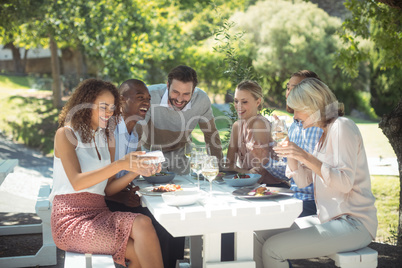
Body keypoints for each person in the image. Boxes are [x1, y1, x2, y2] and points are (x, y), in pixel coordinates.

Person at [257, 78, 378, 267]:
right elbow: (304, 181)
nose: (294, 116)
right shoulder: (323, 134)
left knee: (273, 249)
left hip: (354, 224)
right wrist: (291, 152)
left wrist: (304, 155)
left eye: (297, 109)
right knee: (258, 234)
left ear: (313, 105)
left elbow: (344, 183)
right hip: (327, 220)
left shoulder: (342, 127)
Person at [49, 78, 163, 268]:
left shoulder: (106, 137)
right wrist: (120, 164)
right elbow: (77, 182)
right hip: (70, 220)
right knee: (138, 252)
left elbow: (108, 190)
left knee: (143, 223)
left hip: (100, 212)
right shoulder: (66, 134)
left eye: (112, 107)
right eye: (103, 106)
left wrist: (136, 169)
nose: (109, 112)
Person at [105, 79, 185, 268]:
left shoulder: (133, 134)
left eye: (148, 99)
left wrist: (130, 191)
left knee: (172, 220)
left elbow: (128, 174)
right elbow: (104, 185)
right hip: (105, 204)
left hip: (118, 197)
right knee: (162, 224)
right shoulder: (110, 131)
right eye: (140, 97)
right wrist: (123, 199)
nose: (146, 103)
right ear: (122, 100)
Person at [137, 65, 223, 174]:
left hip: (182, 153)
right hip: (152, 153)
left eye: (186, 94)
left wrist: (219, 167)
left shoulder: (201, 100)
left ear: (193, 90)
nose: (179, 99)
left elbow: (211, 134)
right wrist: (132, 169)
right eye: (175, 92)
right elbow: (136, 133)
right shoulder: (150, 95)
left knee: (184, 187)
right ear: (168, 85)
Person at [264, 70, 324, 216]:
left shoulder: (320, 128)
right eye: (288, 87)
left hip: (313, 203)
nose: (289, 92)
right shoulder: (294, 127)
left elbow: (321, 177)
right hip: (293, 198)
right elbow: (290, 173)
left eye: (295, 88)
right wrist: (264, 159)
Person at [226, 80, 288, 187]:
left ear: (258, 102)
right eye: (236, 101)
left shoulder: (259, 124)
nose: (238, 106)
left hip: (271, 188)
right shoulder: (237, 126)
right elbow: (228, 165)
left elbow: (259, 174)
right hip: (249, 185)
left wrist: (239, 170)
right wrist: (246, 172)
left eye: (244, 102)